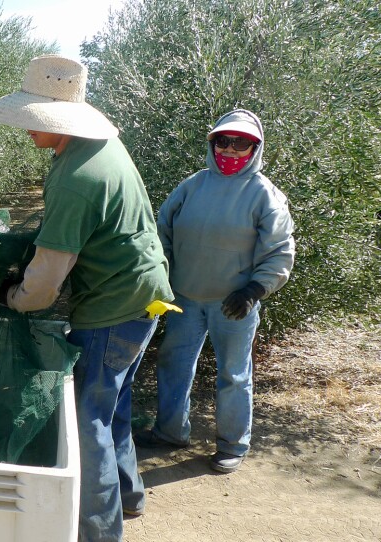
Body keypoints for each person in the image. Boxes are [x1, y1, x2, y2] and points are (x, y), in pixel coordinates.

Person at [0, 55, 175, 542]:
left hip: (112, 309)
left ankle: (99, 531)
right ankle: (129, 498)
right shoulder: (103, 146)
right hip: (147, 297)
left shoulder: (75, 178)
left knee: (88, 421)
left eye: (33, 118)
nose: (28, 130)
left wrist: (13, 296)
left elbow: (45, 281)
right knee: (116, 403)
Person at [133, 109, 295, 474]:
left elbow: (280, 252)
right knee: (174, 365)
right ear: (212, 143)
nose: (231, 148)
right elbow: (163, 234)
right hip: (185, 299)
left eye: (241, 143)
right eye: (224, 140)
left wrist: (255, 289)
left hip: (234, 304)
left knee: (234, 375)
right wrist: (161, 281)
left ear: (255, 147)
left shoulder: (265, 195)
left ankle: (232, 444)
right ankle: (170, 432)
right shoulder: (192, 185)